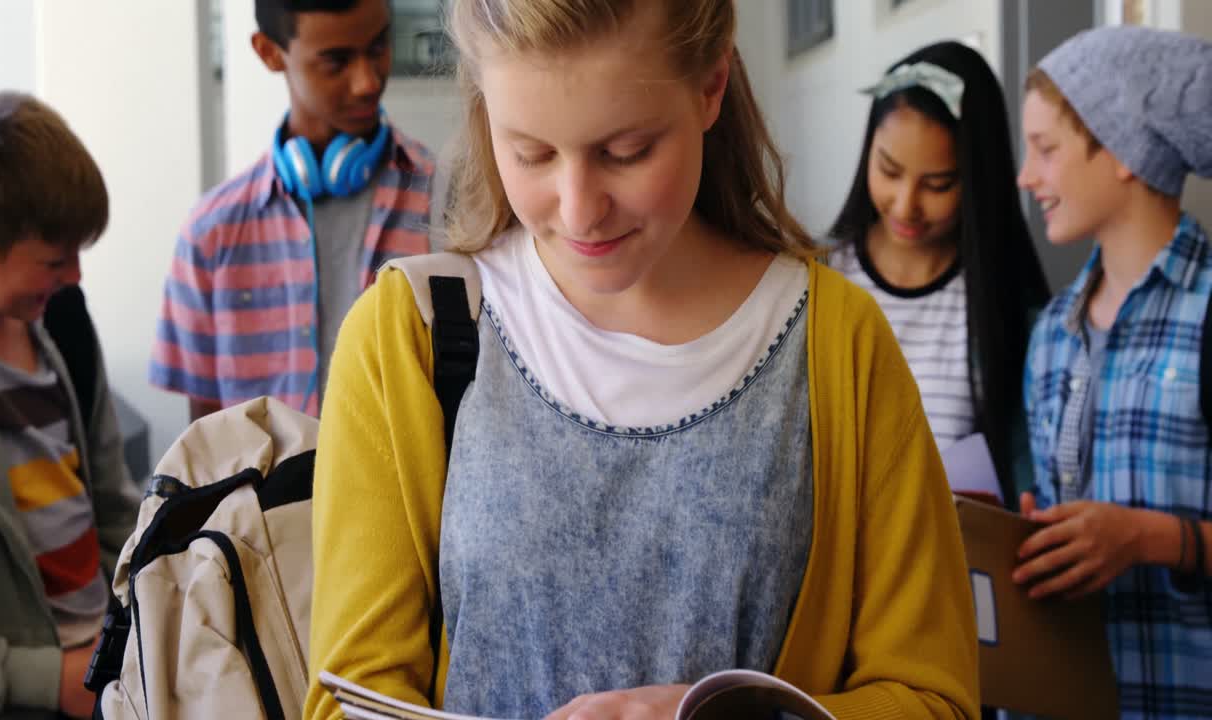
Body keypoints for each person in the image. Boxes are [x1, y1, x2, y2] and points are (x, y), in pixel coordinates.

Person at [304, 1, 981, 719]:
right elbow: (351, 699)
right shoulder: (404, 337)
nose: (579, 210)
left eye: (625, 151)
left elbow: (934, 700)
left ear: (711, 84)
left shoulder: (840, 345)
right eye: (530, 153)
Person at [1015, 26, 1212, 719]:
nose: (1026, 175)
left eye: (1046, 150)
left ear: (1124, 150)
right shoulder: (1053, 334)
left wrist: (1143, 537)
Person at [0, 92, 141, 719]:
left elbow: (110, 501)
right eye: (55, 260)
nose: (75, 276)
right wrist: (49, 680)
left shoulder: (63, 322)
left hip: (111, 678)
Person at [150, 0, 438, 420]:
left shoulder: (449, 199)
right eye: (337, 61)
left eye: (378, 46)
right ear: (269, 52)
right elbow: (207, 436)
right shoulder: (211, 233)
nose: (367, 81)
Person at [827, 41, 1049, 505]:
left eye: (938, 184)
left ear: (977, 179)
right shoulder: (822, 278)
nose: (907, 205)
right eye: (889, 170)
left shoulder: (1002, 302)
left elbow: (1025, 468)